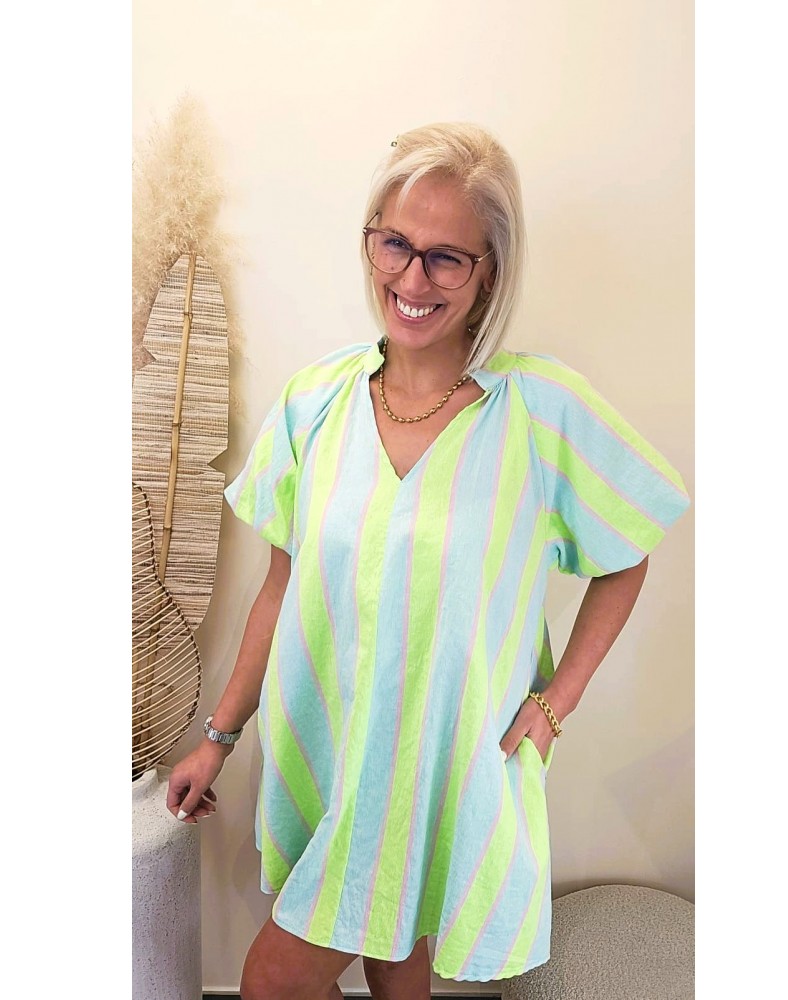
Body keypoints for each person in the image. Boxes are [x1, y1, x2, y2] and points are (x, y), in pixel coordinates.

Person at [167, 122, 690, 1000]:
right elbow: (281, 589)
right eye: (396, 244)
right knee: (394, 952)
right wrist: (217, 739)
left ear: (489, 274)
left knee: (272, 982)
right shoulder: (314, 402)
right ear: (370, 240)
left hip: (440, 765)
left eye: (447, 258)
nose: (412, 280)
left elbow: (627, 553)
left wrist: (554, 705)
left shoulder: (538, 411)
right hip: (334, 750)